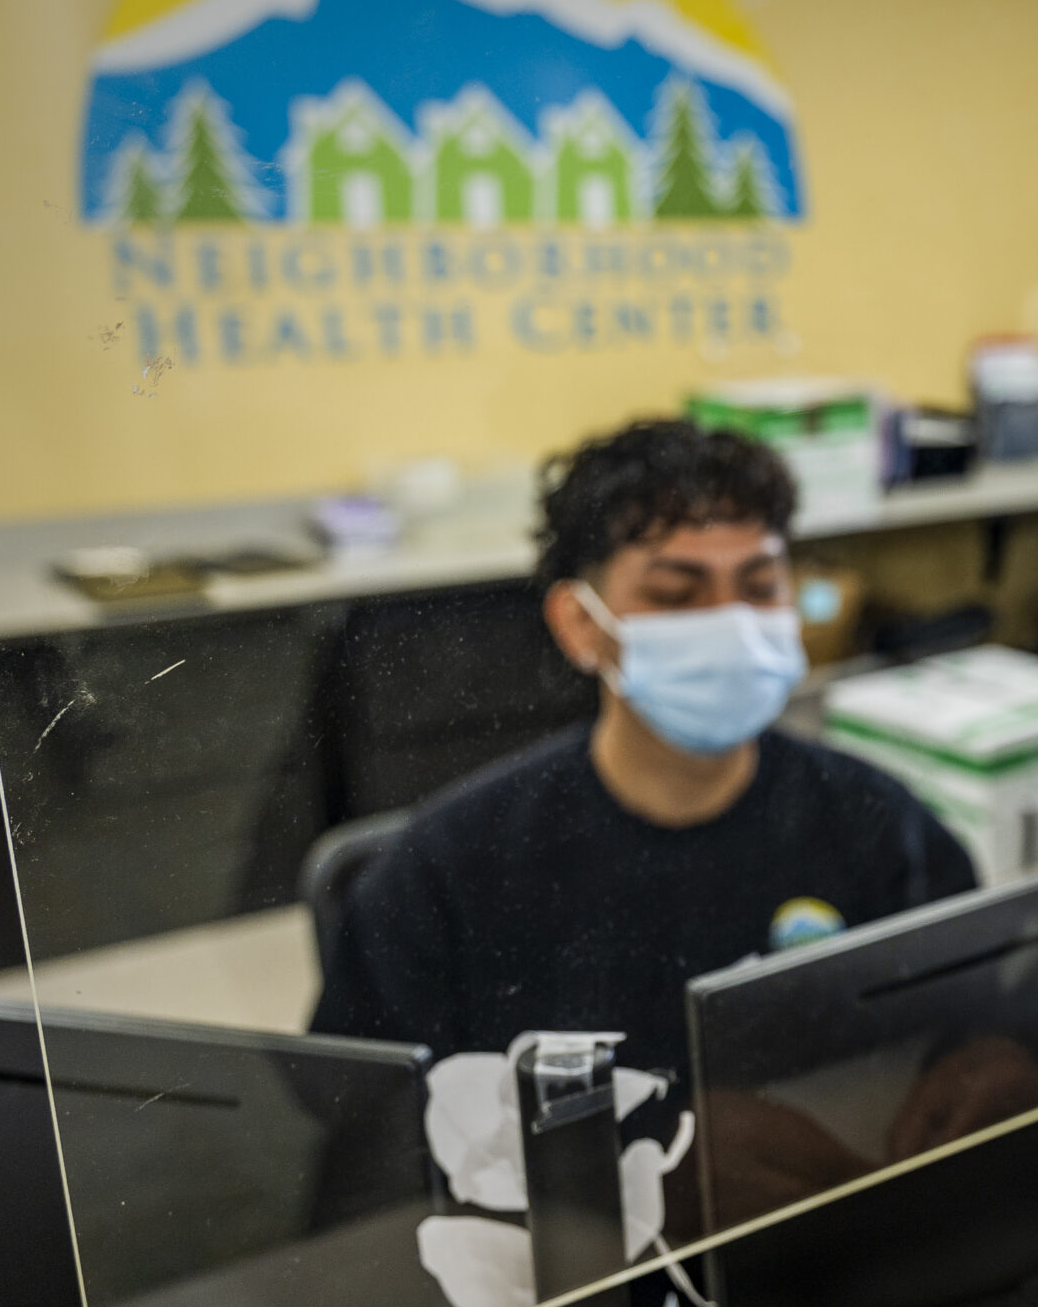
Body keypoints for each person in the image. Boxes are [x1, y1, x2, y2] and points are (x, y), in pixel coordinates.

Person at [310, 418, 978, 1094]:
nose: (732, 625)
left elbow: (973, 1027)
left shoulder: (878, 824)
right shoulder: (447, 873)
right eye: (676, 595)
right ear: (581, 625)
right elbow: (368, 1140)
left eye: (759, 586)